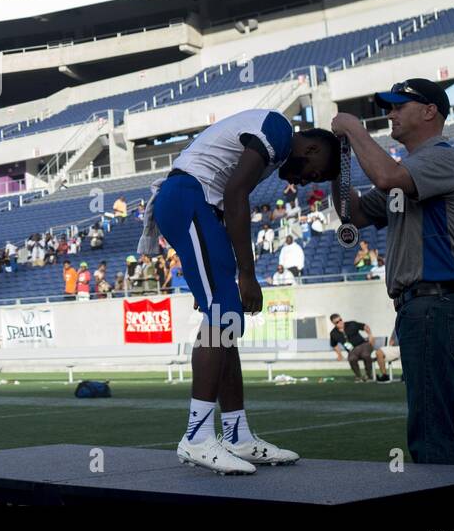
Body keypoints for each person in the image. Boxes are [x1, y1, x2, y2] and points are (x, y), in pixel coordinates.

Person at [140, 108, 338, 474]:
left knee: (226, 323)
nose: (312, 181)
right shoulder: (279, 129)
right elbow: (234, 193)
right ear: (310, 148)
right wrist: (248, 273)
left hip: (198, 205)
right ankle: (196, 437)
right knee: (224, 312)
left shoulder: (276, 144)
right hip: (189, 198)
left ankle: (237, 435)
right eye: (318, 171)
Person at [332, 78, 454, 467]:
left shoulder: (440, 158)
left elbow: (386, 178)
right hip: (437, 306)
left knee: (433, 429)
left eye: (398, 106)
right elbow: (356, 214)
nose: (390, 113)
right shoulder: (412, 167)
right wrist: (336, 165)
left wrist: (354, 130)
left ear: (430, 111)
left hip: (434, 304)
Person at [328, 313, 390, 382]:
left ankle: (369, 376)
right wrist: (339, 355)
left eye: (340, 320)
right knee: (351, 358)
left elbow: (365, 326)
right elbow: (334, 345)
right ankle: (358, 376)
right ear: (333, 323)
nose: (340, 322)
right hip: (352, 350)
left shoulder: (351, 324)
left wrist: (370, 335)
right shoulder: (333, 333)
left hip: (363, 345)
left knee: (365, 355)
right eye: (337, 322)